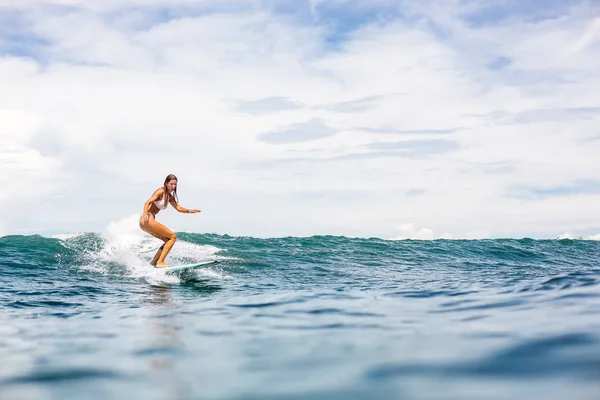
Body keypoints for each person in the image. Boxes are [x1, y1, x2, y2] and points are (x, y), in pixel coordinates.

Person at [139, 174, 201, 268]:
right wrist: (144, 213)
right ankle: (160, 262)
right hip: (147, 218)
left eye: (175, 185)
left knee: (167, 240)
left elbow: (178, 208)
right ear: (166, 183)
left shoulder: (170, 197)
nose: (173, 186)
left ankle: (154, 263)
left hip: (146, 222)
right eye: (171, 184)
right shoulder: (160, 191)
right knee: (173, 237)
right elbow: (147, 202)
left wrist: (189, 211)